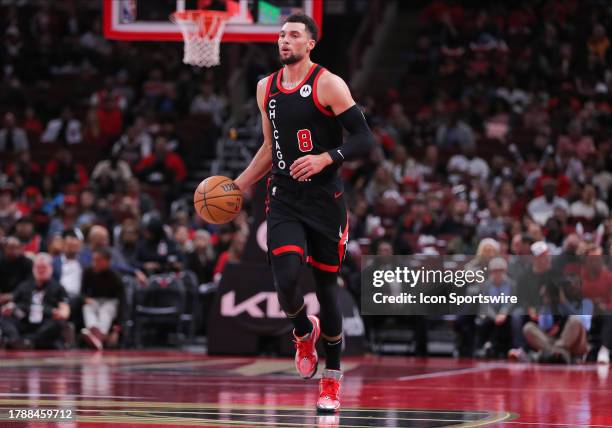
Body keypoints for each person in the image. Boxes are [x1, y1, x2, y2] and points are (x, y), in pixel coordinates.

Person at [234, 13, 375, 412]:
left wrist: (326, 158)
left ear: (310, 43)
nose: (284, 40)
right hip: (283, 198)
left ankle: (331, 378)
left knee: (328, 292)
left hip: (325, 202)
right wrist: (238, 185)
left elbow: (365, 138)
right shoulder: (266, 88)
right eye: (281, 35)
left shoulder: (328, 83)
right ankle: (301, 331)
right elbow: (268, 149)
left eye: (294, 35)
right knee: (287, 278)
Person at [0, 253, 70, 349]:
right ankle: (16, 340)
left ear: (51, 268)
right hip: (25, 321)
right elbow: (12, 302)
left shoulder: (58, 288)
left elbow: (65, 309)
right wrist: (8, 308)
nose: (41, 270)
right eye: (38, 267)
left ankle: (28, 341)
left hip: (45, 323)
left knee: (59, 324)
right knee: (4, 318)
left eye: (44, 267)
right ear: (33, 269)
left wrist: (60, 314)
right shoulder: (24, 286)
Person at [81, 248, 124, 350]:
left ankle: (98, 335)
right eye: (94, 260)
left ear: (107, 262)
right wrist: (85, 299)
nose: (95, 263)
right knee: (87, 307)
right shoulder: (88, 272)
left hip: (111, 302)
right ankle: (94, 330)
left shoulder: (115, 276)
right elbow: (82, 292)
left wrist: (117, 328)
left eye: (98, 260)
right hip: (95, 300)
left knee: (106, 310)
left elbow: (122, 300)